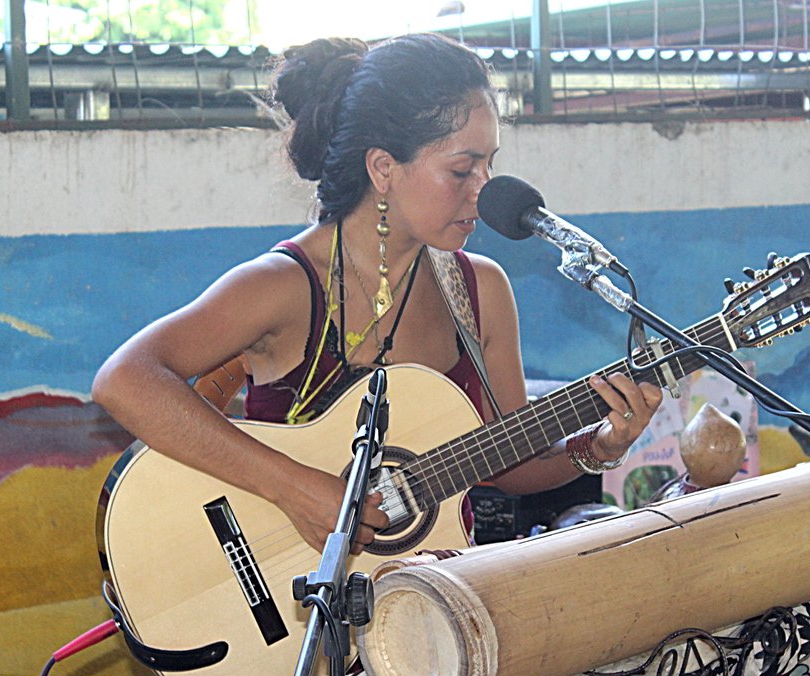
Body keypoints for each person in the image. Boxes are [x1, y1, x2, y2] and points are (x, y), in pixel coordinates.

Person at [92, 32, 664, 560]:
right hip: (291, 612)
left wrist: (600, 447)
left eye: (491, 165)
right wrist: (296, 489)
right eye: (462, 169)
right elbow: (125, 379)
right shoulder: (286, 285)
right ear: (384, 168)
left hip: (429, 613)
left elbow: (507, 464)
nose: (483, 191)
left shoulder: (480, 291)